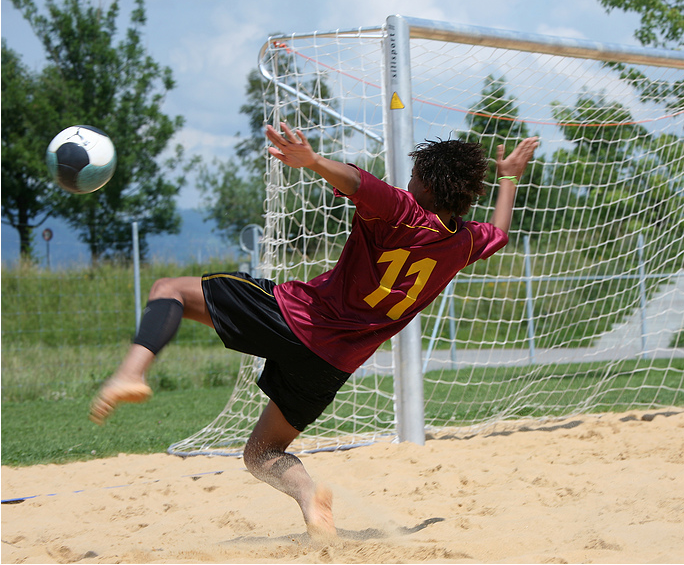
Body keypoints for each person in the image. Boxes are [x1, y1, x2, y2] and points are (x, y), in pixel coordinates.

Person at [90, 122, 539, 536]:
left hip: (297, 318)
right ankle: (309, 497)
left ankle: (131, 373)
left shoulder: (401, 211)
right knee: (261, 455)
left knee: (169, 289)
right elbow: (499, 230)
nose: (407, 182)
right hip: (333, 364)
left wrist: (314, 162)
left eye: (414, 175)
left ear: (424, 183)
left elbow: (359, 182)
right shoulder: (464, 242)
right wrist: (510, 177)